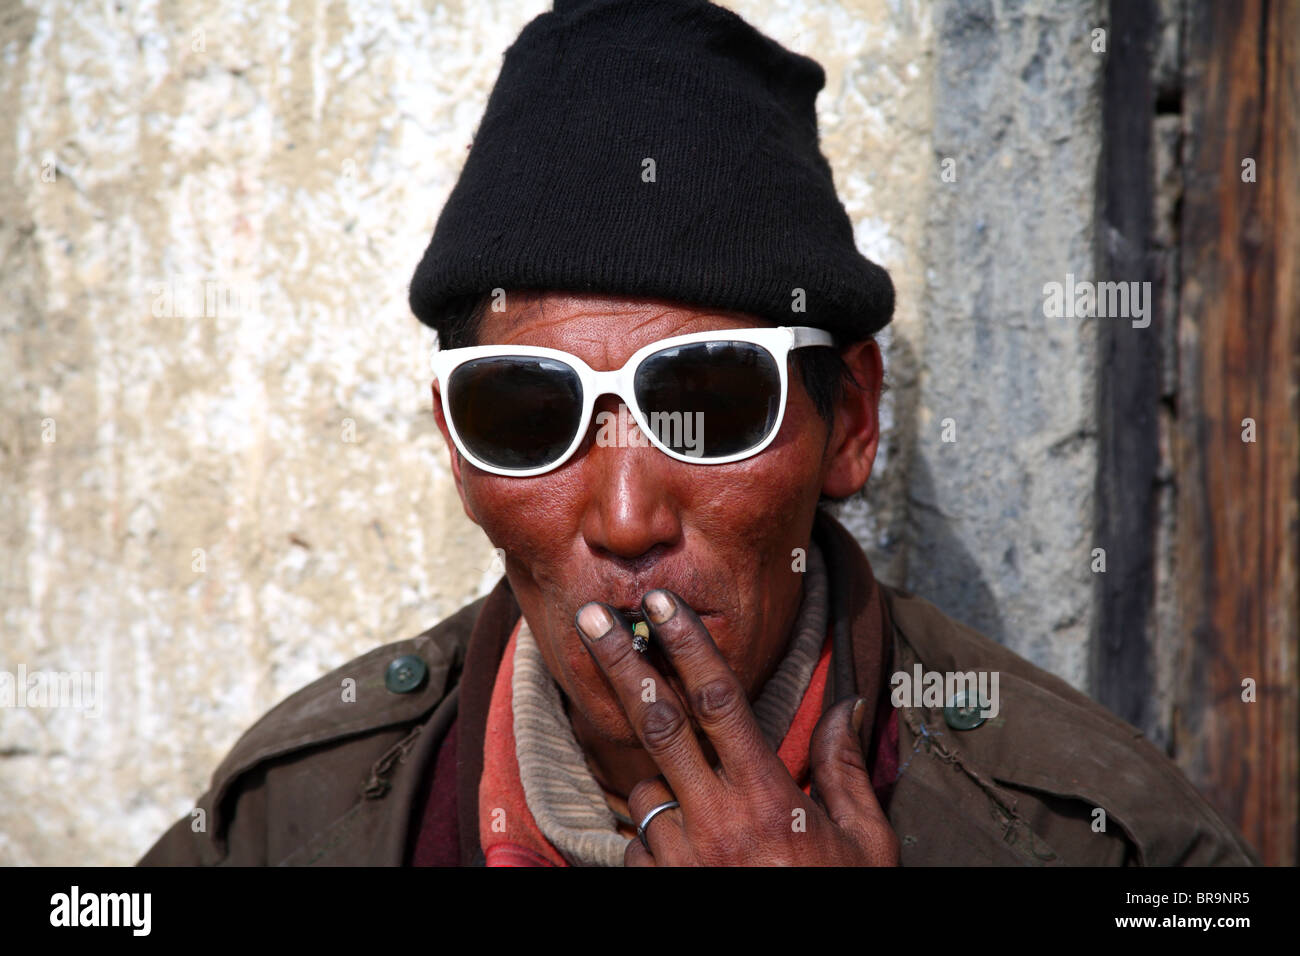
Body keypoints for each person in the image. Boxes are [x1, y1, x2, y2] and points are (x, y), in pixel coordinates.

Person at [139, 0, 1257, 866]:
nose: (626, 517)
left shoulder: (1102, 835)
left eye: (711, 403)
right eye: (528, 412)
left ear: (850, 424)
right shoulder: (291, 818)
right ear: (459, 450)